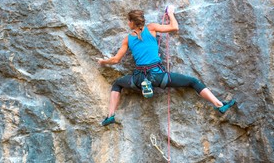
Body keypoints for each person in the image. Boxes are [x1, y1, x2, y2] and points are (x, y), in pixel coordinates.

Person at [98, 7, 236, 126]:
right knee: (193, 82)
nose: (127, 23)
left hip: (138, 78)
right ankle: (219, 104)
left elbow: (116, 60)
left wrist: (103, 62)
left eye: (128, 20)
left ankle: (110, 115)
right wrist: (170, 13)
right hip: (158, 76)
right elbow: (174, 27)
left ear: (133, 22)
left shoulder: (128, 39)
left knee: (117, 84)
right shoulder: (151, 28)